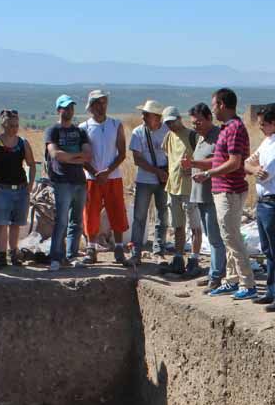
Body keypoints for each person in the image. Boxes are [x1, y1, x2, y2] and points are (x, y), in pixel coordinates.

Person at [196, 88, 256, 299]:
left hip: (229, 190)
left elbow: (234, 162)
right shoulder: (227, 128)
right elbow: (223, 159)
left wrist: (209, 173)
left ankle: (247, 283)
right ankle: (232, 279)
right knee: (228, 236)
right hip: (223, 189)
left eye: (214, 105)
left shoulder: (235, 129)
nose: (213, 109)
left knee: (232, 237)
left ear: (222, 104)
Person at [245, 103, 275, 311]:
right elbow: (248, 163)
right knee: (267, 249)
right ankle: (271, 290)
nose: (260, 128)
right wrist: (254, 168)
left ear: (274, 123)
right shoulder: (268, 141)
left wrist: (253, 169)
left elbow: (266, 173)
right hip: (263, 200)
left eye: (263, 124)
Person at [0, 110, 37, 270]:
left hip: (20, 189)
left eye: (16, 125)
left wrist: (31, 184)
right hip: (1, 189)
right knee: (1, 224)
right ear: (3, 125)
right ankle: (1, 257)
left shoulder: (22, 143)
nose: (14, 129)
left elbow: (32, 164)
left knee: (16, 224)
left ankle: (13, 254)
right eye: (11, 125)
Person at [79, 90, 128, 265]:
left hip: (113, 177)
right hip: (91, 178)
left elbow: (122, 153)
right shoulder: (83, 128)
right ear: (91, 106)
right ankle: (91, 248)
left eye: (104, 102)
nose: (102, 106)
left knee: (117, 211)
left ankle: (120, 248)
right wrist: (94, 172)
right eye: (98, 103)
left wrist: (107, 171)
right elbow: (81, 156)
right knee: (91, 212)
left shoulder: (116, 125)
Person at [44, 95, 92, 271]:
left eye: (71, 107)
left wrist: (69, 158)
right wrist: (76, 158)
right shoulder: (52, 131)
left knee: (76, 220)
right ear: (59, 110)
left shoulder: (80, 132)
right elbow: (55, 154)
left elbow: (88, 155)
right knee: (62, 220)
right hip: (62, 180)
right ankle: (56, 256)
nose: (69, 111)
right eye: (65, 108)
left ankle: (71, 256)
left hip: (79, 180)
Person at [185, 103, 225, 290]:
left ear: (210, 118)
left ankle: (217, 276)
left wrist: (193, 162)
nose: (196, 125)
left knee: (215, 238)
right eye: (193, 123)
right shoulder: (200, 138)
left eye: (199, 121)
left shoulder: (218, 136)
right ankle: (214, 272)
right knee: (210, 236)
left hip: (212, 193)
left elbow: (218, 160)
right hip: (199, 194)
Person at [161, 105, 202, 276]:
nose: (170, 125)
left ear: (179, 118)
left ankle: (194, 260)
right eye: (167, 123)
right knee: (178, 226)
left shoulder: (193, 136)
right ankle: (178, 259)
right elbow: (167, 156)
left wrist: (192, 168)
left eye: (172, 121)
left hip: (190, 188)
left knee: (194, 227)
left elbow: (204, 159)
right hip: (173, 187)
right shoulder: (169, 137)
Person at [128, 100, 170, 264]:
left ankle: (159, 251)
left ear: (157, 117)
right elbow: (137, 159)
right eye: (143, 113)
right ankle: (135, 252)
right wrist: (157, 172)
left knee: (163, 216)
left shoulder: (168, 131)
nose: (143, 117)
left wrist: (166, 173)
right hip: (145, 179)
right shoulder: (138, 132)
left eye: (146, 114)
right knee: (139, 216)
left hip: (164, 179)